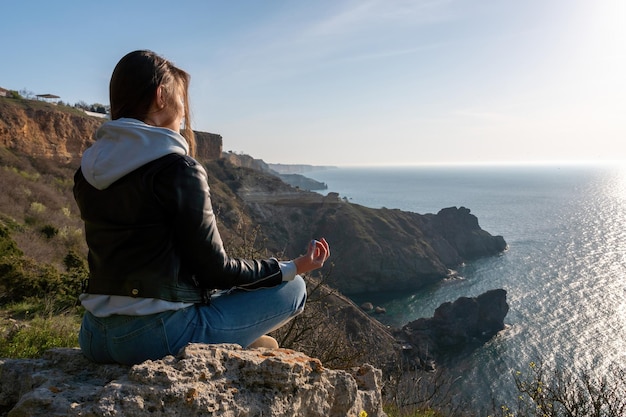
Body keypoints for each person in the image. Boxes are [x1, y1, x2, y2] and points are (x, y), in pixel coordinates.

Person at [73, 50, 330, 365]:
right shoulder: (177, 167)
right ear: (161, 96)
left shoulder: (87, 171)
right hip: (153, 338)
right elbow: (215, 271)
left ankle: (234, 338)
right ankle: (233, 340)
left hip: (94, 336)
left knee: (220, 296)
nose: (184, 111)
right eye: (182, 99)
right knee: (295, 290)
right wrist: (292, 267)